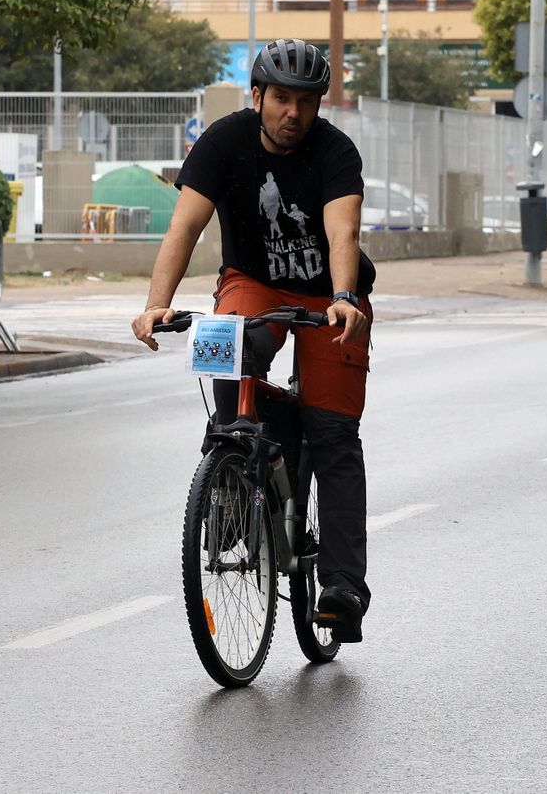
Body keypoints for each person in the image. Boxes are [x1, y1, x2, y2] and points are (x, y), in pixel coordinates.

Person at [131, 38, 377, 643]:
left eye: (306, 102)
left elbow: (341, 232)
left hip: (329, 297)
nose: (292, 114)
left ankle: (343, 587)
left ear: (318, 107)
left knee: (334, 434)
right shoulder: (223, 141)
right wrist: (155, 305)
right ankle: (238, 477)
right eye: (281, 99)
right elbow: (184, 226)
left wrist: (345, 298)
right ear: (258, 96)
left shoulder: (336, 152)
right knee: (224, 351)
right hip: (254, 283)